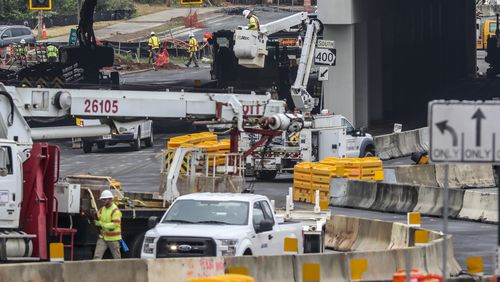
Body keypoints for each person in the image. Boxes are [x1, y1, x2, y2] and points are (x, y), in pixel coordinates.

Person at [93, 190, 122, 260]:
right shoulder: (102, 209)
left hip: (113, 239)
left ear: (110, 199)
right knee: (97, 257)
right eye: (102, 199)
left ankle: (119, 270)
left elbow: (114, 225)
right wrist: (96, 220)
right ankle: (95, 270)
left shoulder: (115, 211)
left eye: (104, 199)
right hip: (103, 237)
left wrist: (101, 224)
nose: (102, 201)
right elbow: (99, 218)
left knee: (117, 258)